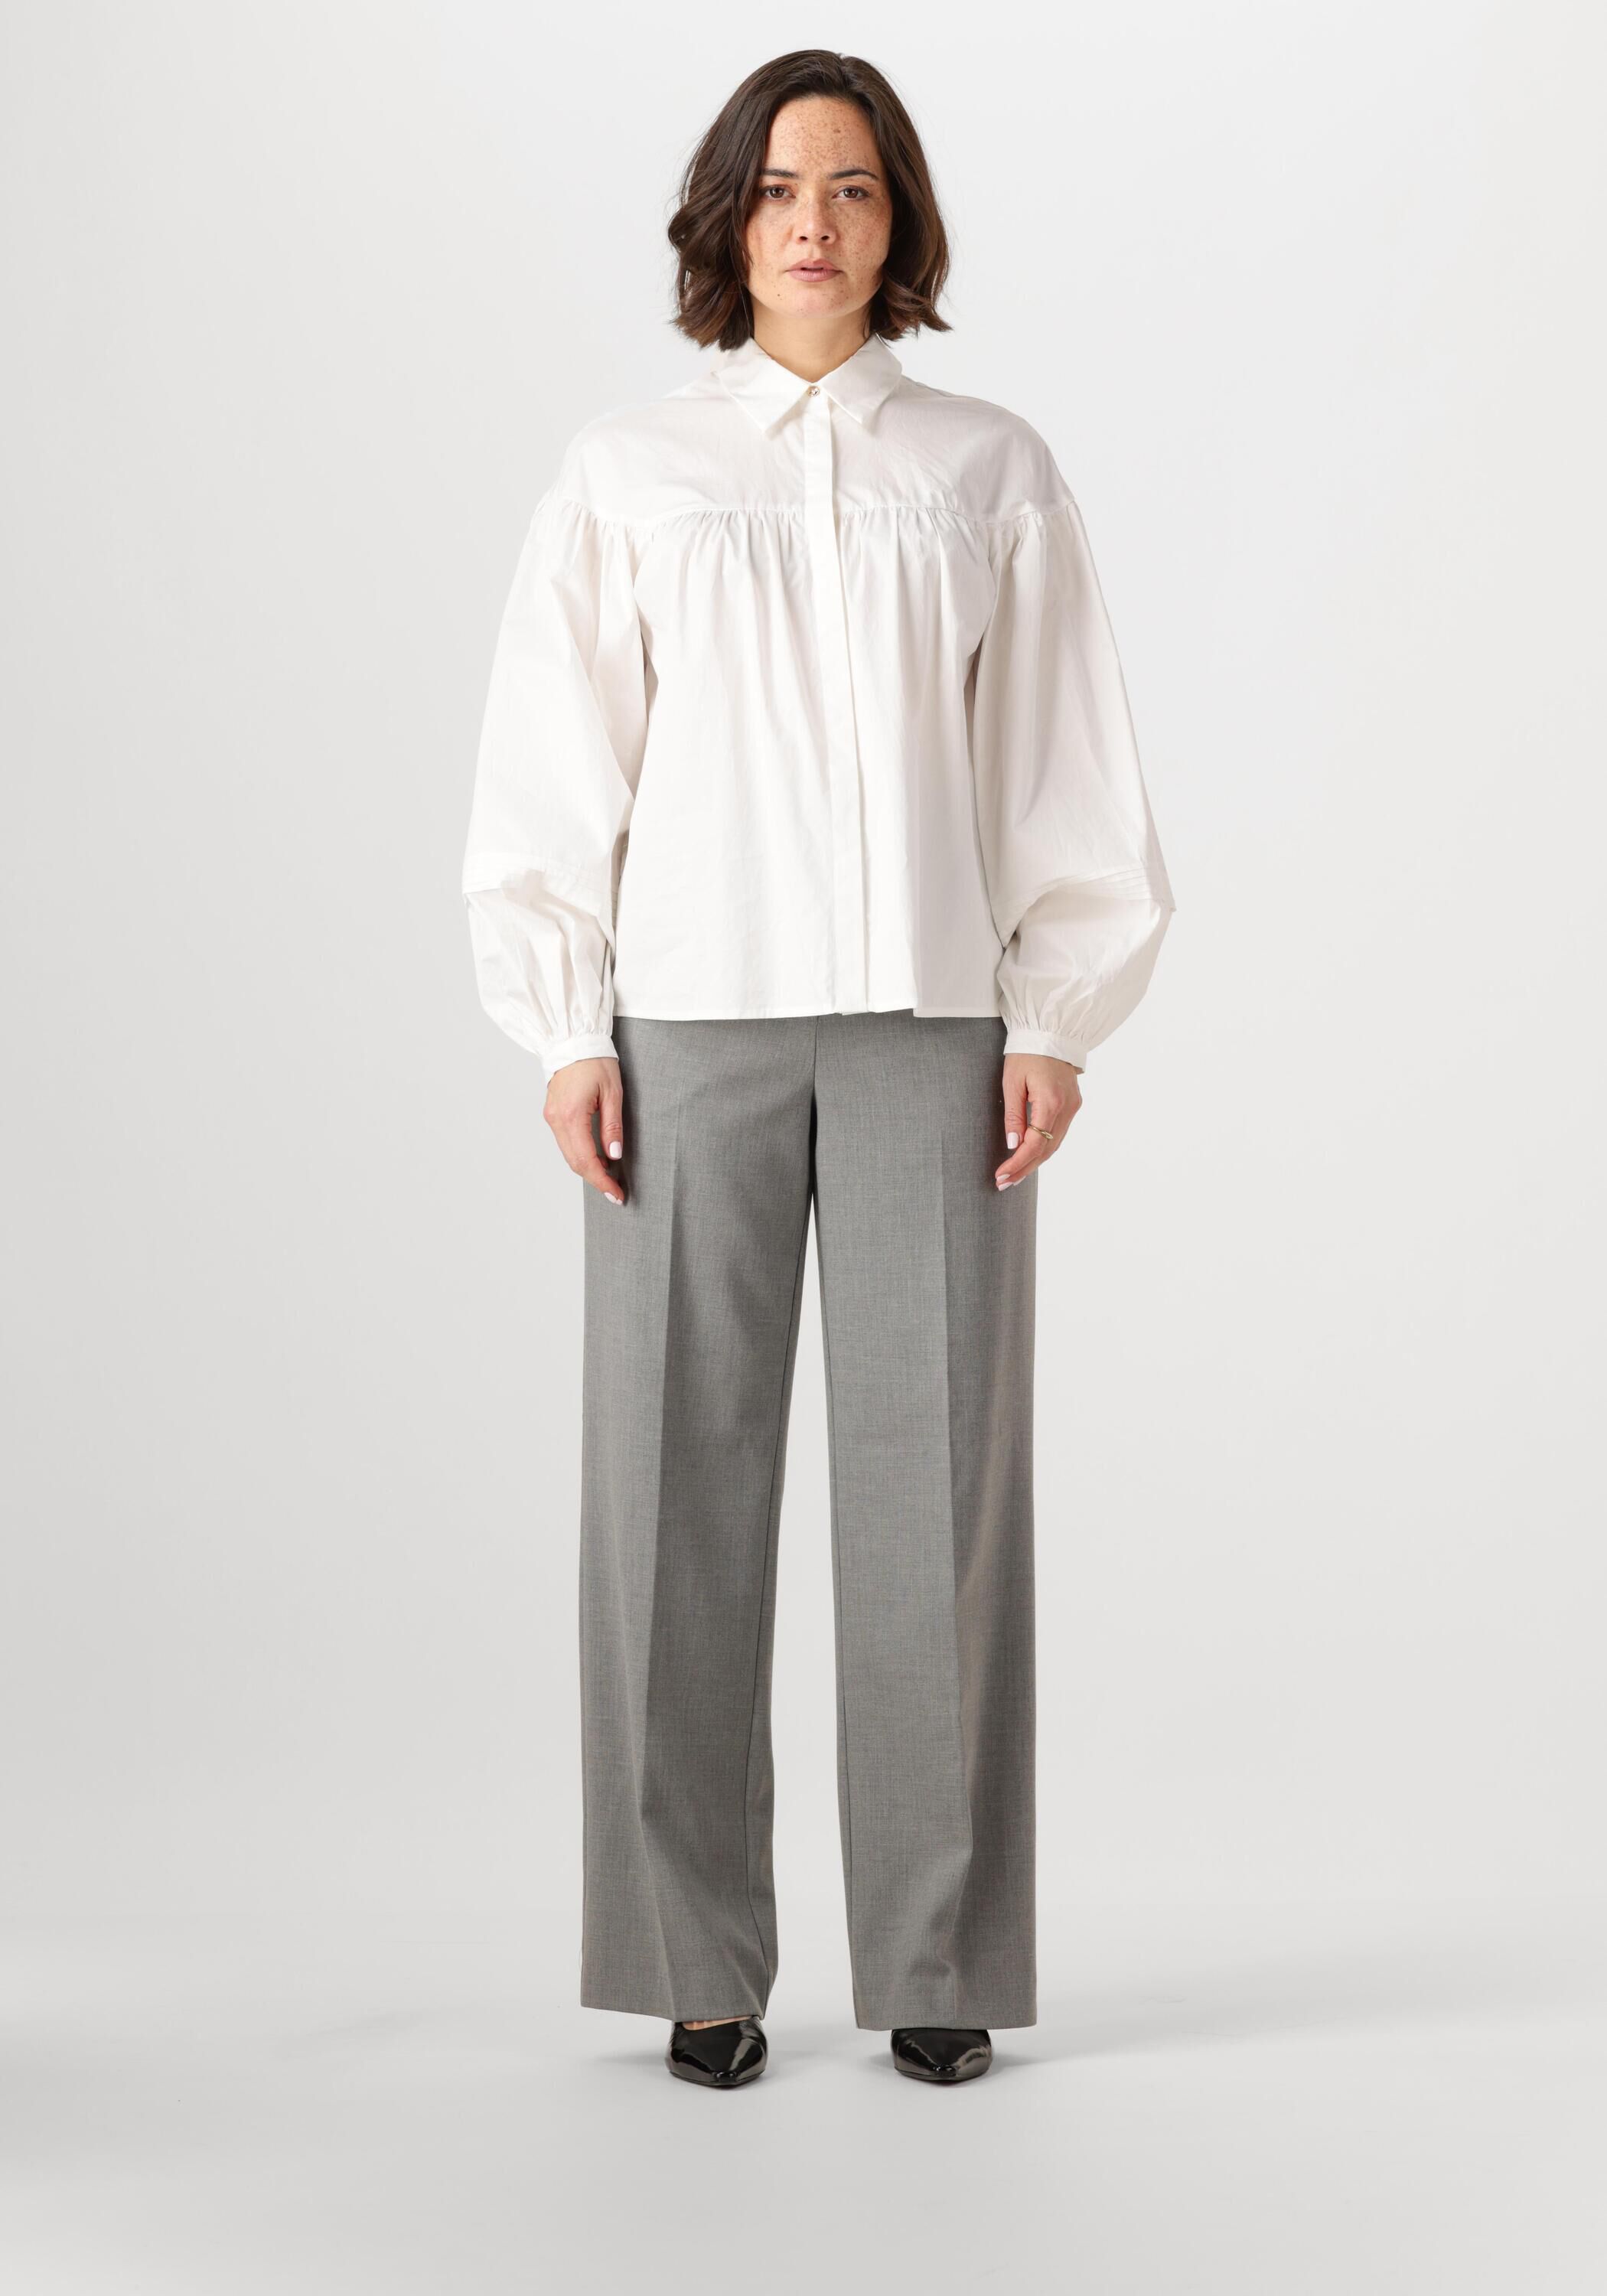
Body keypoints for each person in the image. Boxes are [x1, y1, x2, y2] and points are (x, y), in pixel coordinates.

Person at [461, 50, 1175, 2090]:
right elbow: (553, 756)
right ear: (727, 217)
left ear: (898, 222)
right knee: (669, 1486)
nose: (814, 222)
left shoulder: (986, 467)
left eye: (853, 188)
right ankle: (696, 1957)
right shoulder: (631, 471)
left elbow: (1061, 759)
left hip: (932, 1029)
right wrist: (561, 1021)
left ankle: (935, 1957)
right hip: (683, 1029)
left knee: (937, 1494)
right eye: (779, 187)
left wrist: (1052, 1017)